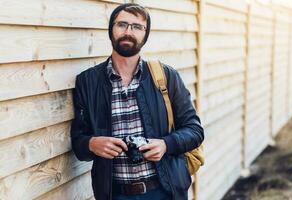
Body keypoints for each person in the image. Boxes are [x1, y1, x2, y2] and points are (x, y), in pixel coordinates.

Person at [71, 3, 204, 200]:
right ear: (111, 30)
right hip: (114, 194)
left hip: (164, 191)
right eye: (122, 24)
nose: (128, 31)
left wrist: (165, 145)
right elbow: (78, 140)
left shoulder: (166, 77)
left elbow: (195, 131)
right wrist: (92, 143)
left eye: (137, 27)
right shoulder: (88, 82)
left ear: (145, 34)